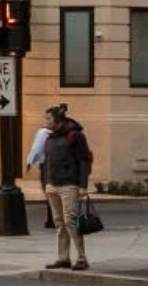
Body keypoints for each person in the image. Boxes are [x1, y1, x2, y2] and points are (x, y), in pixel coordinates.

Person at [39, 104, 93, 272]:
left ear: (58, 120)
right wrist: (46, 183)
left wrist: (82, 186)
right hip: (52, 185)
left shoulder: (75, 136)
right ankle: (63, 258)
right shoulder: (50, 138)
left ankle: (82, 258)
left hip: (69, 185)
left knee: (71, 222)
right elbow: (46, 161)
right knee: (59, 223)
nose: (45, 122)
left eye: (48, 119)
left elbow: (84, 161)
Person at [26, 119, 54, 229]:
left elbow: (36, 148)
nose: (45, 121)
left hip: (46, 164)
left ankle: (51, 219)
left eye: (47, 118)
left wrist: (29, 162)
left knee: (49, 191)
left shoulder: (43, 132)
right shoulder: (69, 132)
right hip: (62, 166)